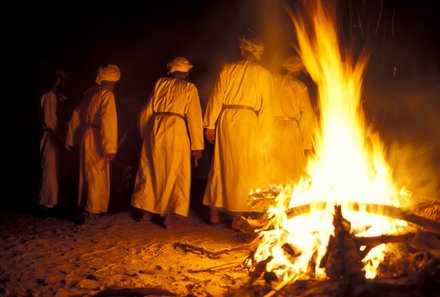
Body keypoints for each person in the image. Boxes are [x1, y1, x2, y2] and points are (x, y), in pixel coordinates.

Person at [202, 36, 273, 229]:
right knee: (244, 168)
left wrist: (210, 124)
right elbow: (267, 107)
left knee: (221, 163)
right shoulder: (264, 74)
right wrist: (266, 137)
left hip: (226, 118)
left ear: (242, 51)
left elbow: (217, 95)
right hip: (249, 121)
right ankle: (236, 216)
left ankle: (214, 212)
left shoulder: (228, 68)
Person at [130, 57, 204, 229]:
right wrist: (197, 146)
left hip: (156, 128)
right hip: (176, 130)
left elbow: (146, 110)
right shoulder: (189, 88)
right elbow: (194, 117)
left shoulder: (160, 83)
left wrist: (145, 134)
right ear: (186, 72)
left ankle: (147, 210)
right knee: (175, 171)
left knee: (152, 168)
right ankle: (168, 215)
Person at [66, 64, 121, 221]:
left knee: (87, 171)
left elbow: (76, 114)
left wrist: (71, 138)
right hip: (97, 135)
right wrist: (109, 147)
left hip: (85, 134)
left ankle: (85, 206)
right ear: (114, 79)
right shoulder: (107, 95)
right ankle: (92, 210)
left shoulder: (89, 92)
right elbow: (108, 121)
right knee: (96, 172)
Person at [270, 56, 316, 185]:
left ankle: (273, 197)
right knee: (291, 167)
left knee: (273, 164)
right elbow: (307, 114)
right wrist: (306, 143)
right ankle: (289, 196)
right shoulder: (299, 86)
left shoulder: (271, 80)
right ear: (297, 70)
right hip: (291, 128)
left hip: (272, 126)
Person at [38, 70, 69, 212]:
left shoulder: (55, 97)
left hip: (55, 137)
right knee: (49, 170)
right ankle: (46, 204)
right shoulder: (48, 96)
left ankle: (52, 202)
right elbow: (49, 121)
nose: (60, 82)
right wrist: (63, 139)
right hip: (50, 137)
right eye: (58, 79)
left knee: (55, 170)